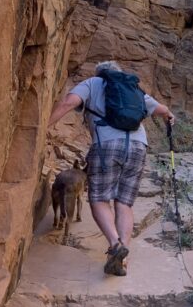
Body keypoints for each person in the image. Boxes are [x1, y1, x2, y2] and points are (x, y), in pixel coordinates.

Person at [48, 60, 175, 276]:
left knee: (99, 199)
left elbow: (69, 103)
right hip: (138, 147)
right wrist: (169, 118)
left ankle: (115, 245)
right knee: (124, 203)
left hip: (107, 146)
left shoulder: (93, 83)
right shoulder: (133, 90)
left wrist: (43, 128)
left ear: (100, 74)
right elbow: (164, 111)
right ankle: (122, 258)